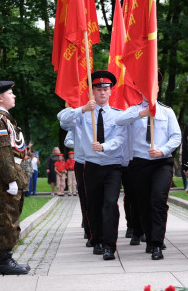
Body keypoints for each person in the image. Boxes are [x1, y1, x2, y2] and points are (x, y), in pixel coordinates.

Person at [58, 70, 127, 261]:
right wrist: (82, 109)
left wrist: (104, 146)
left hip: (112, 165)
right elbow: (62, 117)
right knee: (93, 205)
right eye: (98, 89)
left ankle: (109, 245)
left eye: (106, 89)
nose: (102, 92)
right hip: (91, 165)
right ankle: (96, 239)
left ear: (111, 92)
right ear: (92, 92)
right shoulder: (81, 114)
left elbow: (120, 138)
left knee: (110, 203)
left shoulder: (117, 115)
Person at [116, 96, 181, 261]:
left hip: (162, 163)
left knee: (158, 201)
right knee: (143, 204)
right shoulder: (133, 110)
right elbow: (119, 120)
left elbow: (176, 137)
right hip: (139, 163)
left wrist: (162, 150)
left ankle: (157, 243)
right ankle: (150, 238)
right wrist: (142, 113)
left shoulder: (166, 111)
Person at [0, 80, 30, 275]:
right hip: (4, 178)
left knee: (12, 216)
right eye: (10, 93)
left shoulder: (5, 118)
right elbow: (2, 152)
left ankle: (7, 256)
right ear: (0, 98)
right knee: (6, 218)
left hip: (10, 174)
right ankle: (3, 261)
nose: (14, 95)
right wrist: (10, 179)